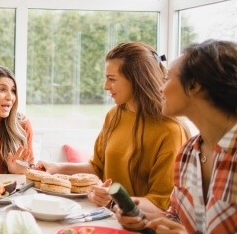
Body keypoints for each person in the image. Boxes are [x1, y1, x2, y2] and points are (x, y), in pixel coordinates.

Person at [117, 40, 237, 234]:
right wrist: (143, 220)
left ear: (194, 85)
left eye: (166, 79)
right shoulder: (188, 154)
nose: (160, 89)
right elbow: (175, 219)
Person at [37, 42, 188, 212]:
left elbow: (162, 205)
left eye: (112, 79)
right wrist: (58, 167)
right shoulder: (115, 115)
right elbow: (98, 167)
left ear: (137, 79)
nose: (105, 86)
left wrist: (116, 199)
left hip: (144, 229)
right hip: (110, 216)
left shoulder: (170, 131)